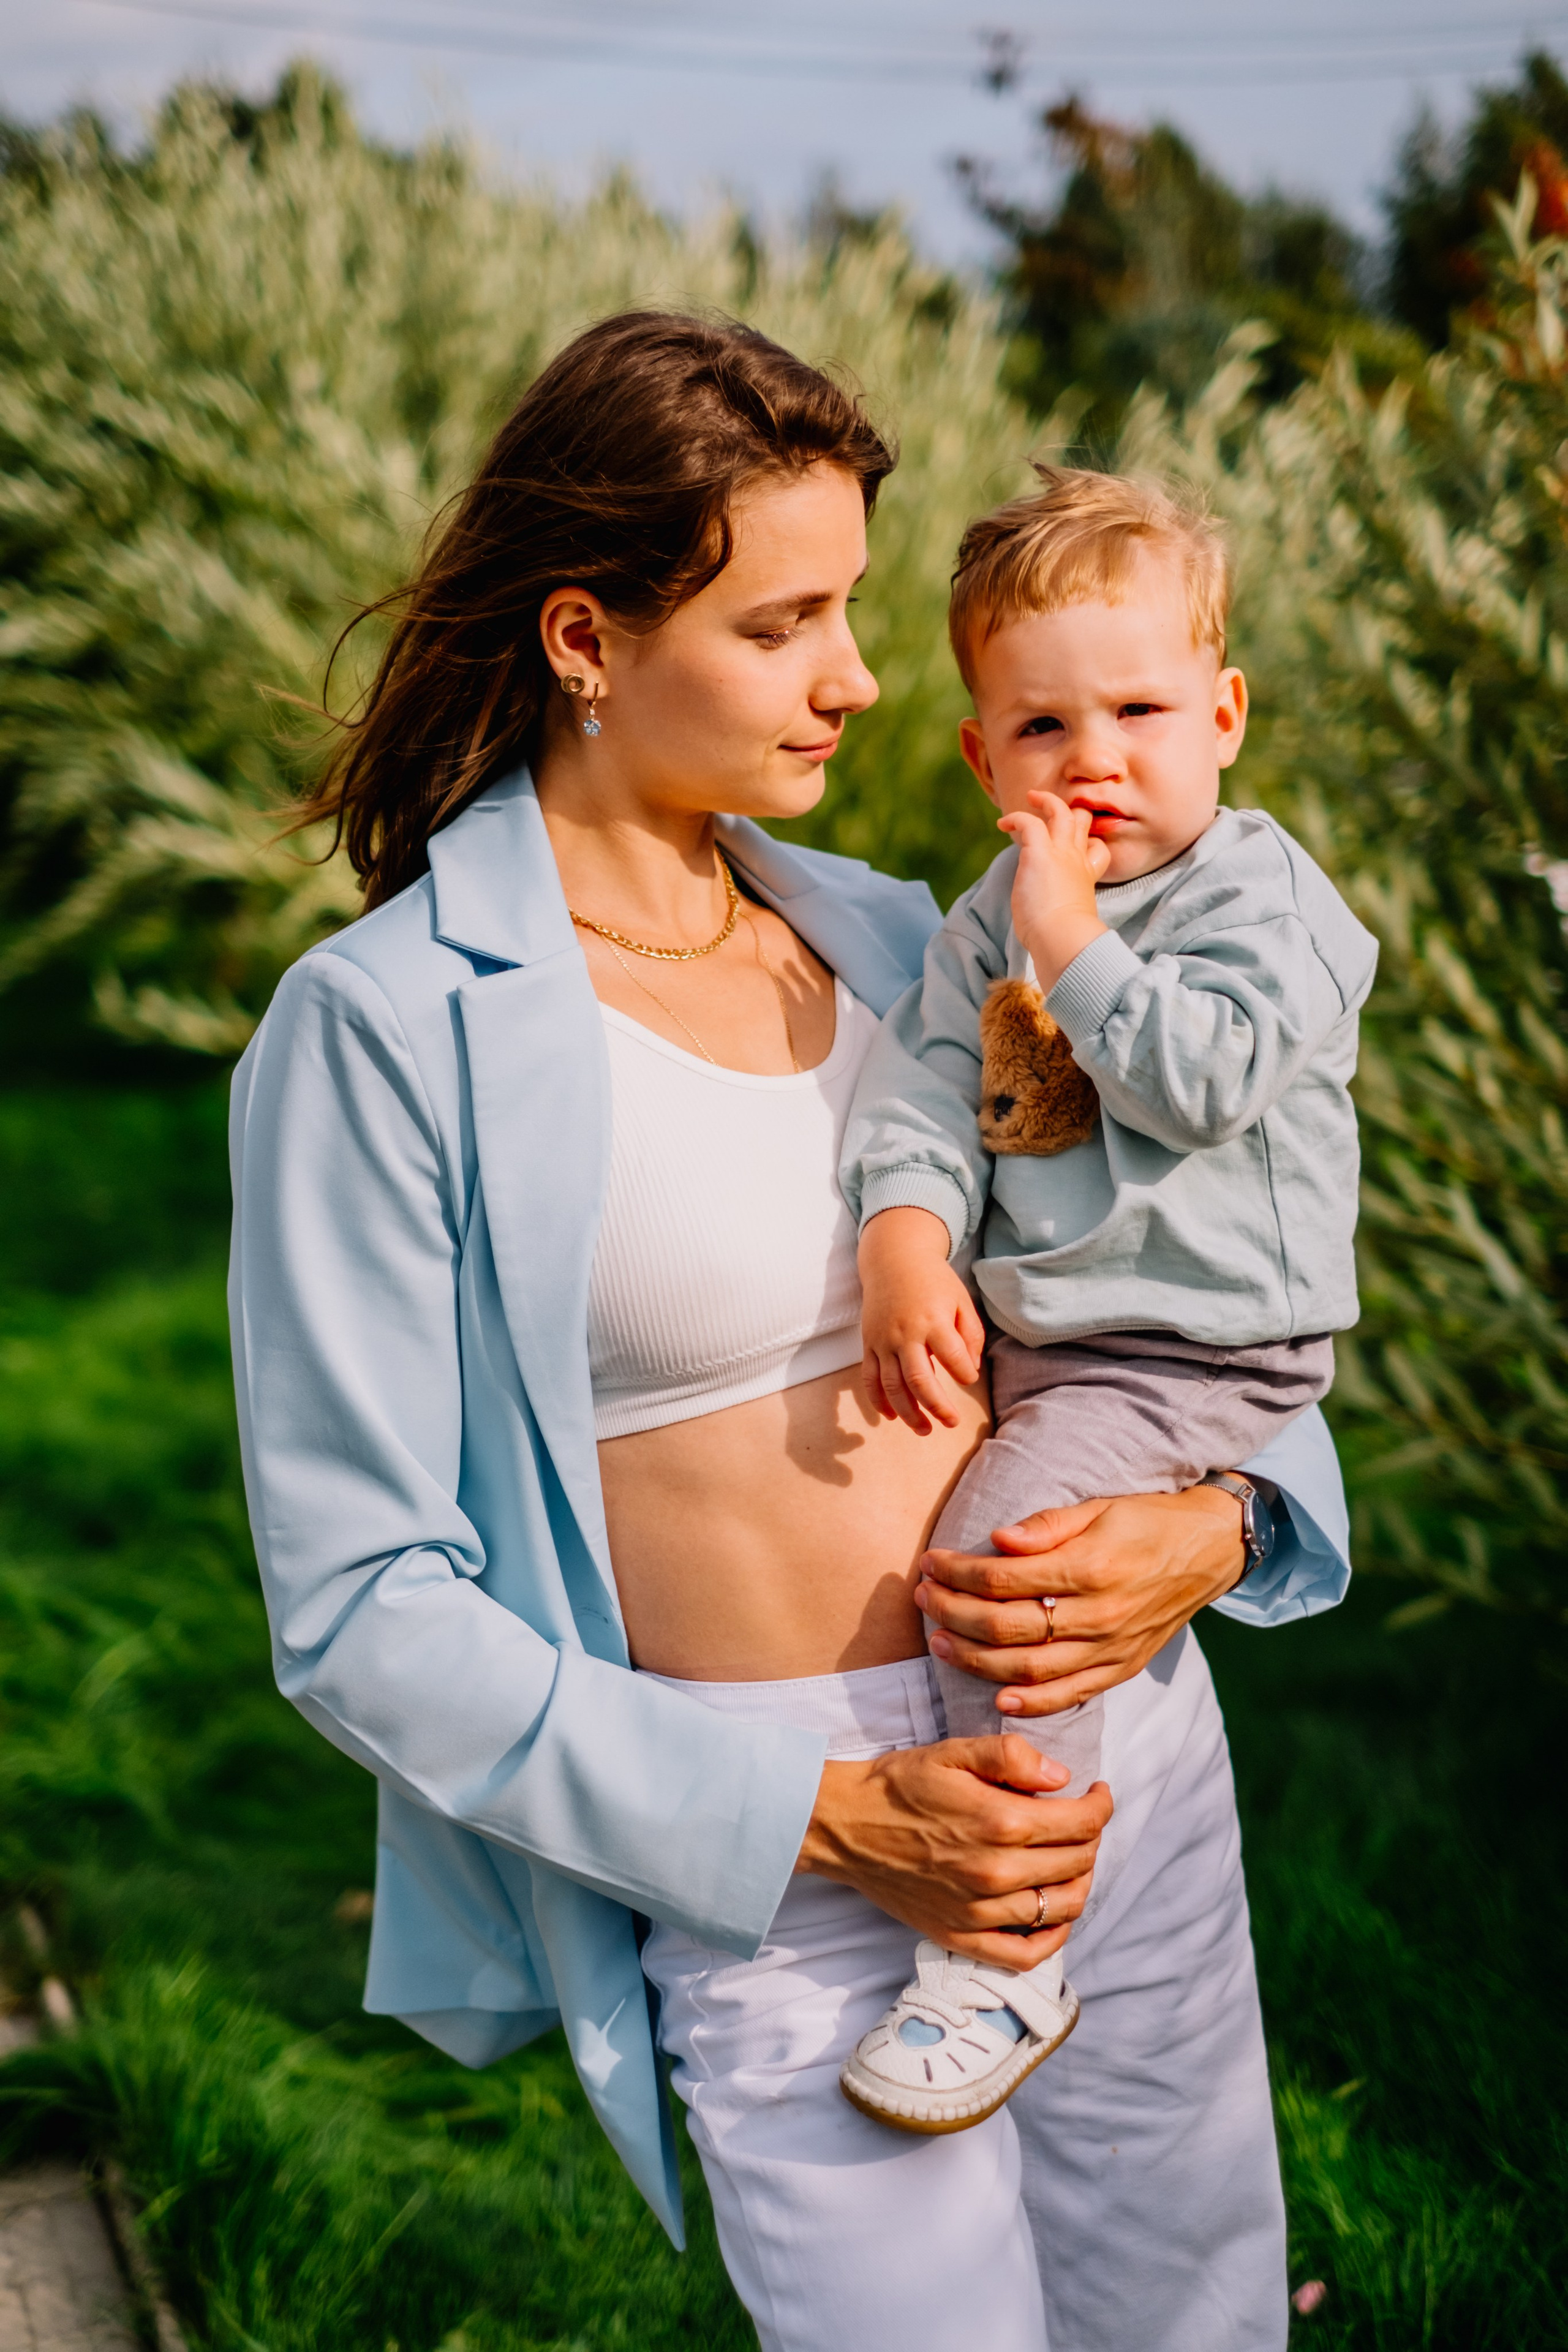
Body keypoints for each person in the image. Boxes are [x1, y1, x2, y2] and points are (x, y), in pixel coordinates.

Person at [228, 311, 1352, 2352]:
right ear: (586, 638)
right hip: (793, 1843)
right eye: (787, 621)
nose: (856, 675)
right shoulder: (386, 1029)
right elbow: (363, 1605)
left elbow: (1189, 1269)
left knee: (1198, 2321)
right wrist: (830, 1824)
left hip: (1111, 1752)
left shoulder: (886, 925)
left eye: (851, 606)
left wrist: (1225, 1527)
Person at [838, 470, 1376, 2134]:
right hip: (1069, 1339)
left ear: (1222, 713)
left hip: (1196, 1347)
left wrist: (1072, 945)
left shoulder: (1265, 905)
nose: (1098, 761)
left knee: (1011, 1561)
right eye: (1045, 725)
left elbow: (1206, 1080)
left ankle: (1008, 1947)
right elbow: (928, 1097)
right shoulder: (983, 918)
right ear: (981, 757)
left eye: (1140, 709)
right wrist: (907, 1243)